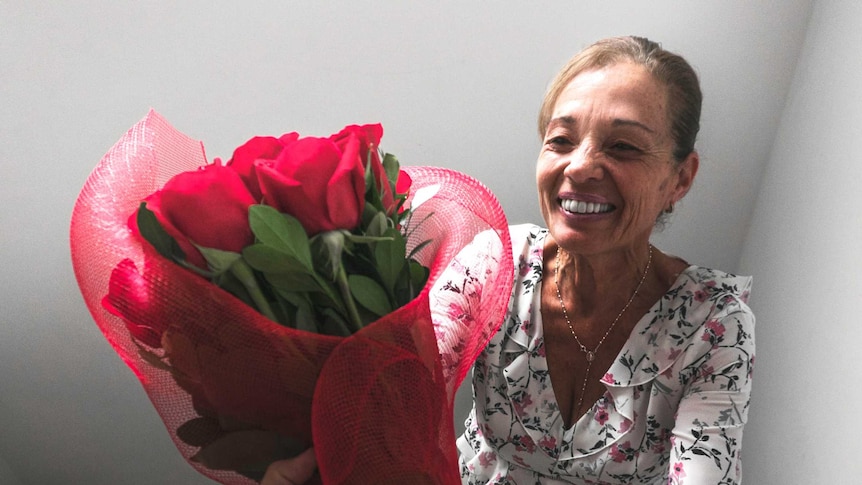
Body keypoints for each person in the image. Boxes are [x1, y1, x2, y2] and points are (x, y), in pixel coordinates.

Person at [264, 35, 755, 485]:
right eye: (561, 140)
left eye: (622, 146)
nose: (579, 165)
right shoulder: (499, 262)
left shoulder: (713, 321)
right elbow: (407, 381)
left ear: (680, 178)